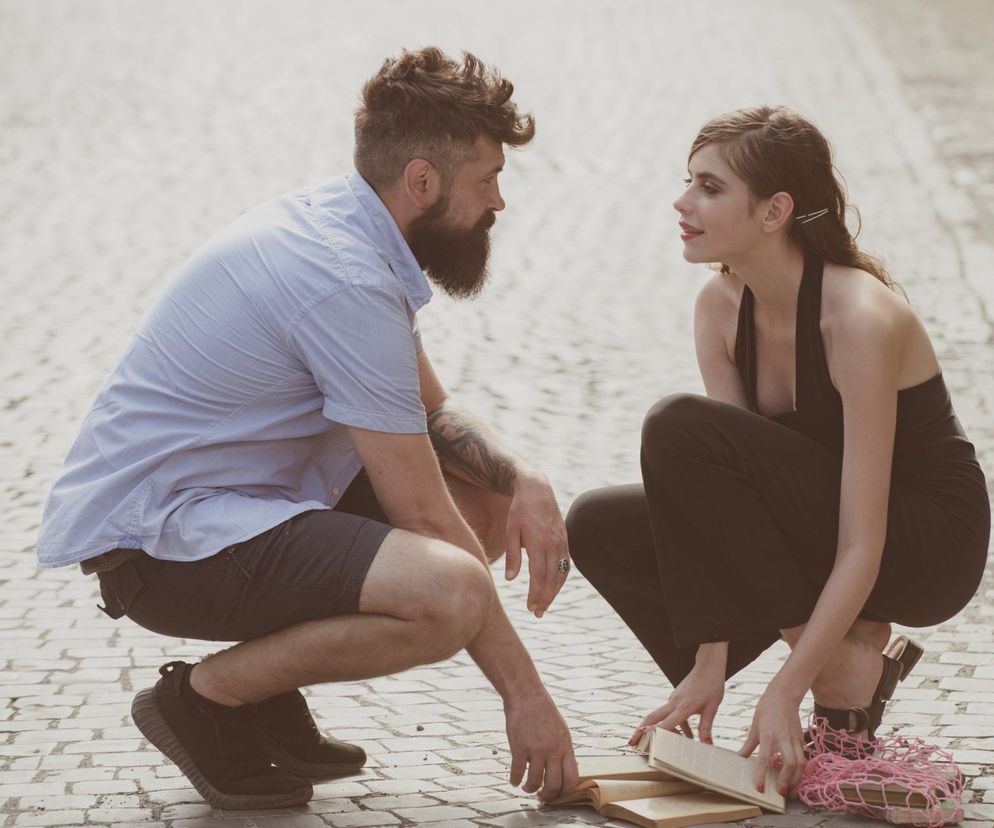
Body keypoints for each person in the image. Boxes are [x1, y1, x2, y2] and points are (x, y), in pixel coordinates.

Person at [37, 47, 579, 810]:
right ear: (422, 181)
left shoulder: (349, 223)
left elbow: (430, 415)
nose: (498, 202)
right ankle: (207, 700)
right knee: (449, 593)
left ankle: (265, 694)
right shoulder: (344, 277)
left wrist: (524, 474)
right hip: (158, 545)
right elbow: (425, 517)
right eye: (487, 180)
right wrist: (527, 699)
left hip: (241, 504)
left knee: (485, 503)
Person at [566, 106, 989, 796]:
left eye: (709, 187)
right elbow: (716, 510)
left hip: (924, 541)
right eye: (688, 182)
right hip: (816, 529)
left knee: (677, 424)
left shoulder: (858, 317)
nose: (683, 202)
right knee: (596, 524)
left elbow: (862, 538)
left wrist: (787, 690)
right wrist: (708, 660)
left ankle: (841, 673)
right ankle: (849, 667)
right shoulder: (719, 309)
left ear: (774, 212)